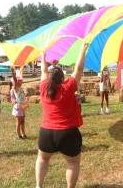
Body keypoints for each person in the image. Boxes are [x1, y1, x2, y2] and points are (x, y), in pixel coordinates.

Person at [35, 43, 88, 188]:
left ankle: (38, 186)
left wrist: (43, 54)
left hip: (46, 132)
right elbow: (79, 69)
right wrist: (83, 49)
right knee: (72, 162)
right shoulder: (69, 86)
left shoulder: (43, 86)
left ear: (50, 78)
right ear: (62, 77)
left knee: (42, 159)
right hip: (67, 132)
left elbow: (43, 70)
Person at [10, 67, 29, 139]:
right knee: (18, 122)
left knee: (23, 121)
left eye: (21, 80)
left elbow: (21, 76)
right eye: (19, 80)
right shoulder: (16, 88)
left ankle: (23, 133)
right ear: (16, 82)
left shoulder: (21, 88)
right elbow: (15, 79)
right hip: (18, 107)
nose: (21, 81)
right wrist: (13, 73)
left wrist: (22, 68)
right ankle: (19, 135)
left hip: (22, 106)